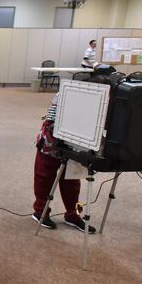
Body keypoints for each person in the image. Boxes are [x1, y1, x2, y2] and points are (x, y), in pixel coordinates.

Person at [31, 82, 97, 234]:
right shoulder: (65, 95)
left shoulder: (104, 101)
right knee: (44, 179)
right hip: (51, 142)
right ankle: (40, 211)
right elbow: (51, 123)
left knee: (74, 184)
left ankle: (74, 214)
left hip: (79, 144)